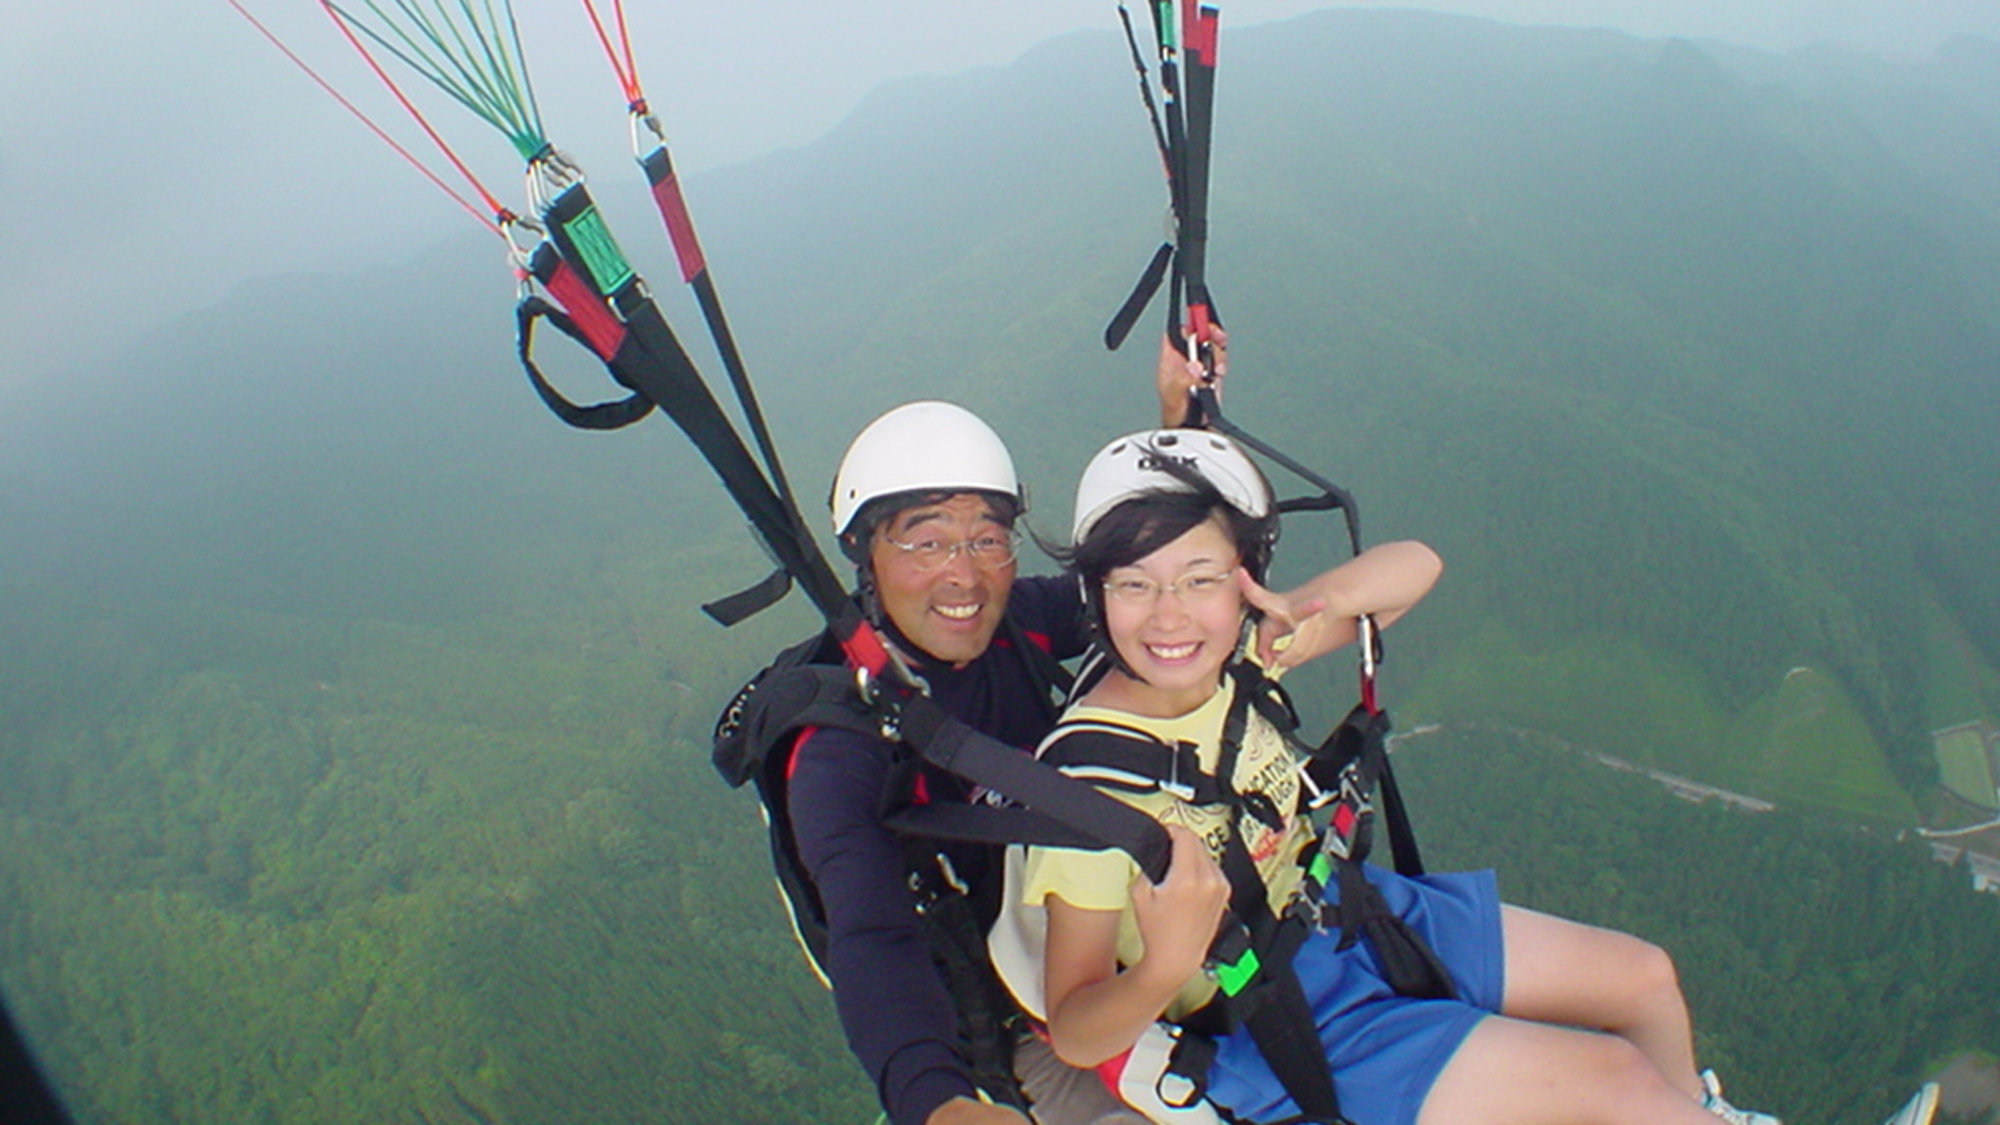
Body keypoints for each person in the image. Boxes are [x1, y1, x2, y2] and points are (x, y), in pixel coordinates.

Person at [999, 427, 1795, 1125]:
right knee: (1612, 1078)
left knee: (1643, 978)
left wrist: (1304, 609)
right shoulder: (1090, 789)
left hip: (1350, 913)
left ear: (1245, 575)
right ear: (1096, 593)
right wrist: (1165, 965)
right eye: (1133, 583)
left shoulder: (1242, 649)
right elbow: (1076, 1028)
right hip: (1271, 1010)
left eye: (1201, 577)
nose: (1168, 614)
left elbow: (1417, 568)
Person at [776, 340, 1216, 1125]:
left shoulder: (1018, 626)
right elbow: (871, 934)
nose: (964, 573)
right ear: (865, 559)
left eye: (986, 537)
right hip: (1033, 1035)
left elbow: (1149, 591)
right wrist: (937, 1103)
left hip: (1129, 941)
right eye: (926, 539)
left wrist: (1179, 428)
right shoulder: (841, 748)